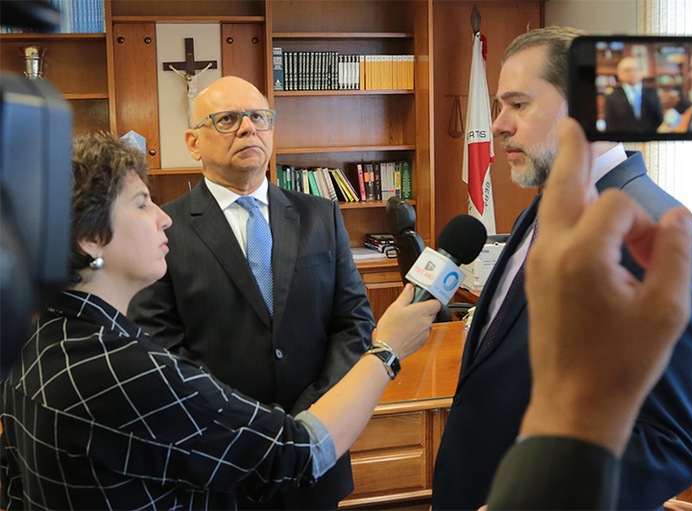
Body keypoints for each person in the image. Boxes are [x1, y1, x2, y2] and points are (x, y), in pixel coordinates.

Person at [0, 132, 441, 509]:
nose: (163, 218)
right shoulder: (123, 369)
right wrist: (387, 350)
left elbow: (15, 486)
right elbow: (299, 451)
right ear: (91, 238)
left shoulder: (35, 338)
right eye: (141, 204)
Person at [431, 26, 692, 511]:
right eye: (499, 106)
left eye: (518, 105)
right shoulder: (543, 208)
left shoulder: (659, 235)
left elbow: (672, 443)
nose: (498, 125)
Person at [128, 76, 374, 509]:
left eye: (259, 117)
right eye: (228, 119)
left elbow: (353, 323)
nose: (248, 128)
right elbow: (161, 351)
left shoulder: (321, 215)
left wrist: (309, 417)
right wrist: (252, 429)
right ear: (193, 143)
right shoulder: (164, 229)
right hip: (219, 465)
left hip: (316, 454)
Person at [603, 56, 664, 132]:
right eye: (627, 70)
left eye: (635, 69)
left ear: (641, 72)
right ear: (619, 74)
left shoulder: (652, 93)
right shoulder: (612, 96)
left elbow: (659, 119)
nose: (632, 73)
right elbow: (610, 124)